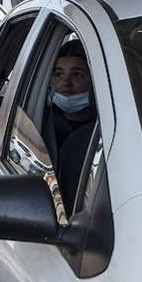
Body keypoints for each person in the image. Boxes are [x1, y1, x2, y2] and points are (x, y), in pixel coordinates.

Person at [47, 39, 97, 207]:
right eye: (59, 74)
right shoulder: (44, 126)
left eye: (77, 75)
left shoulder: (111, 123)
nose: (66, 83)